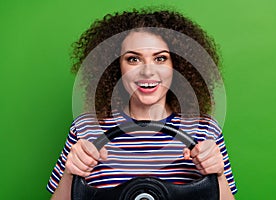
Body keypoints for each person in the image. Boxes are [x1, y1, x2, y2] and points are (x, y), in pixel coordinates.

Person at [47, 8, 237, 199]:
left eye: (160, 58)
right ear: (117, 67)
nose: (147, 71)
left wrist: (218, 175)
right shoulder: (86, 130)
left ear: (176, 65)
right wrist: (70, 173)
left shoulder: (205, 130)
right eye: (133, 59)